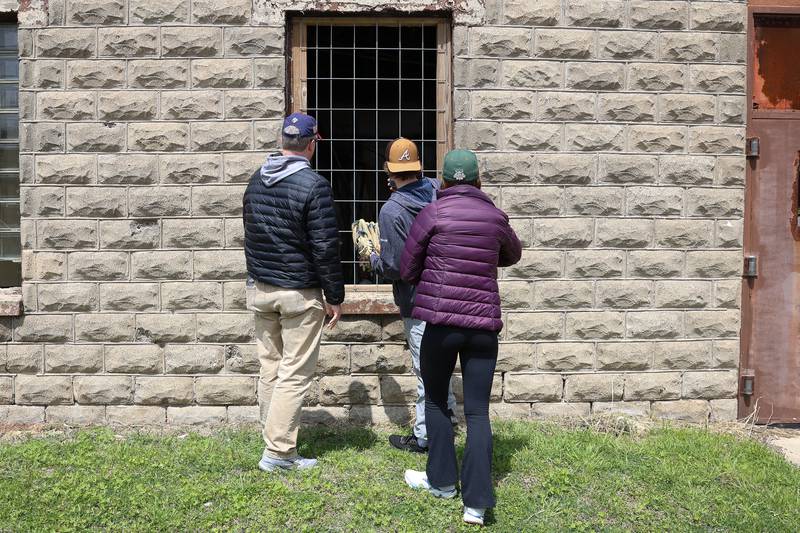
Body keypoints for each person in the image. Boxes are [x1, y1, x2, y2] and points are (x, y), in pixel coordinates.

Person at [399, 149, 522, 526]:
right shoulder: (494, 216)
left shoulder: (432, 212)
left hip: (441, 324)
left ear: (445, 181)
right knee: (478, 412)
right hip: (483, 328)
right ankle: (477, 504)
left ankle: (441, 483)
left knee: (436, 401)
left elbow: (407, 268)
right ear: (478, 179)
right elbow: (513, 254)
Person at [243, 112, 344, 472]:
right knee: (294, 373)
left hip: (262, 291)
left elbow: (250, 236)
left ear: (282, 141)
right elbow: (324, 247)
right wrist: (334, 296)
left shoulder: (256, 180)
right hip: (298, 294)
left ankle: (271, 437)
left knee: (269, 367)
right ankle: (279, 453)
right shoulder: (313, 185)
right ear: (312, 143)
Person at [366, 138, 457, 454]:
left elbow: (396, 267)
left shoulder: (391, 210)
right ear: (418, 166)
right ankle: (444, 424)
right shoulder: (438, 191)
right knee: (442, 368)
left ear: (389, 171)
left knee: (425, 373)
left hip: (418, 300)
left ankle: (428, 437)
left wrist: (372, 255)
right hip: (449, 293)